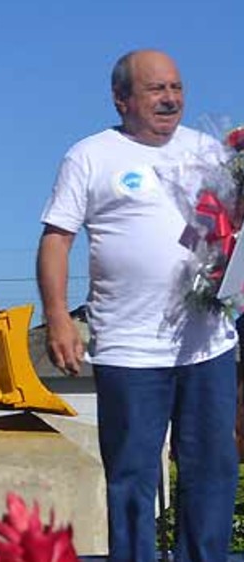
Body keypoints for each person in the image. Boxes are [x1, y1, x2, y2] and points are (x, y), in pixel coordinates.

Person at [37, 49, 238, 561]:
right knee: (131, 480)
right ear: (121, 98)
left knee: (212, 471)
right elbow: (57, 240)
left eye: (176, 87)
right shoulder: (91, 155)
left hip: (206, 346)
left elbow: (230, 232)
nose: (170, 99)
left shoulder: (212, 152)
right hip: (129, 350)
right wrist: (58, 317)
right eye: (156, 89)